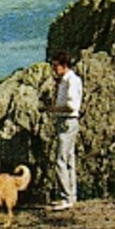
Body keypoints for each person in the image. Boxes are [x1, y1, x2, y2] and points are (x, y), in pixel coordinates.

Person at [46, 51, 83, 211]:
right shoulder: (64, 81)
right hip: (64, 120)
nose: (54, 69)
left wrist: (53, 109)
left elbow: (71, 106)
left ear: (63, 65)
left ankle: (66, 197)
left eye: (55, 66)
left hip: (68, 120)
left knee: (60, 160)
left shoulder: (71, 81)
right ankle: (71, 195)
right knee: (69, 159)